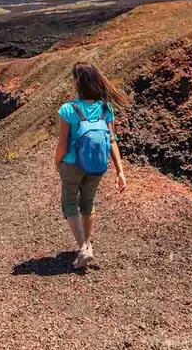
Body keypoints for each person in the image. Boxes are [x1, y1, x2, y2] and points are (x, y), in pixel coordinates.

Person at [54, 62, 129, 269]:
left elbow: (62, 144)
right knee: (87, 203)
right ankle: (86, 244)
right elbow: (112, 140)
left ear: (78, 82)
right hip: (96, 164)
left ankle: (84, 249)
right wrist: (120, 171)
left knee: (69, 203)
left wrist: (57, 162)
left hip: (71, 164)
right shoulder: (106, 108)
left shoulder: (69, 109)